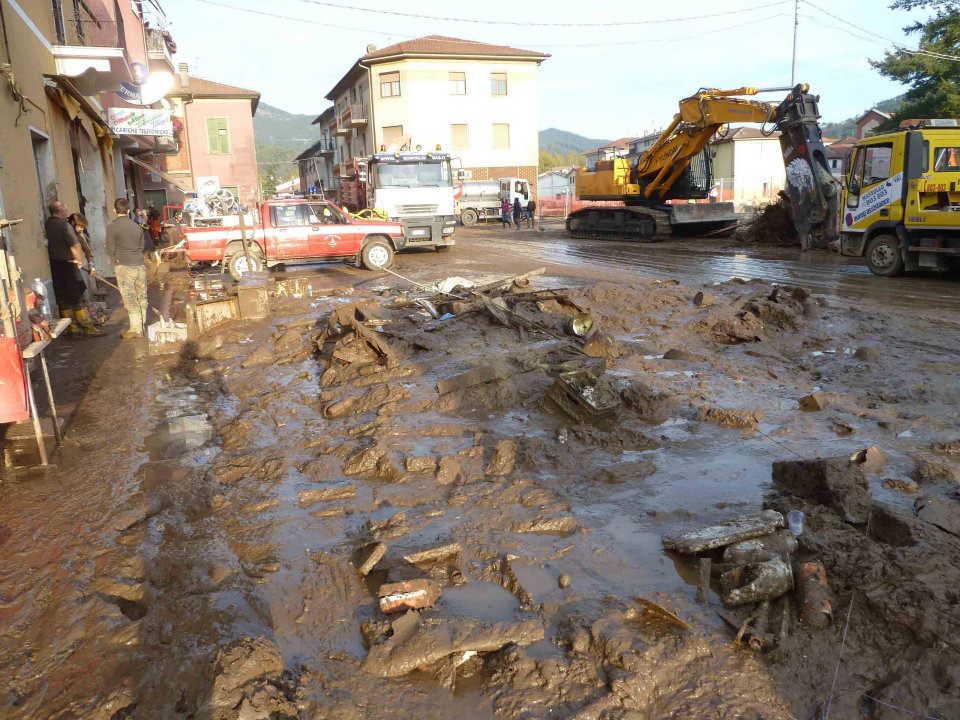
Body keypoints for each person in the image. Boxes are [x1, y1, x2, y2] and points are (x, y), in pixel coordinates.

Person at [45, 201, 102, 336]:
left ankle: (73, 328)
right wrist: (79, 261)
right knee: (78, 297)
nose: (66, 212)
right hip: (69, 266)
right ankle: (88, 327)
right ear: (60, 211)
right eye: (65, 209)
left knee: (63, 298)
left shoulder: (47, 224)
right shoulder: (64, 226)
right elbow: (76, 246)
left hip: (54, 265)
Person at [106, 198, 148, 338]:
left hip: (124, 266)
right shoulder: (137, 226)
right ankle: (142, 325)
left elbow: (110, 248)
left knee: (130, 297)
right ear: (129, 211)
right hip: (139, 265)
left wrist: (115, 261)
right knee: (141, 295)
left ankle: (136, 329)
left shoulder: (112, 227)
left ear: (114, 210)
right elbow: (142, 246)